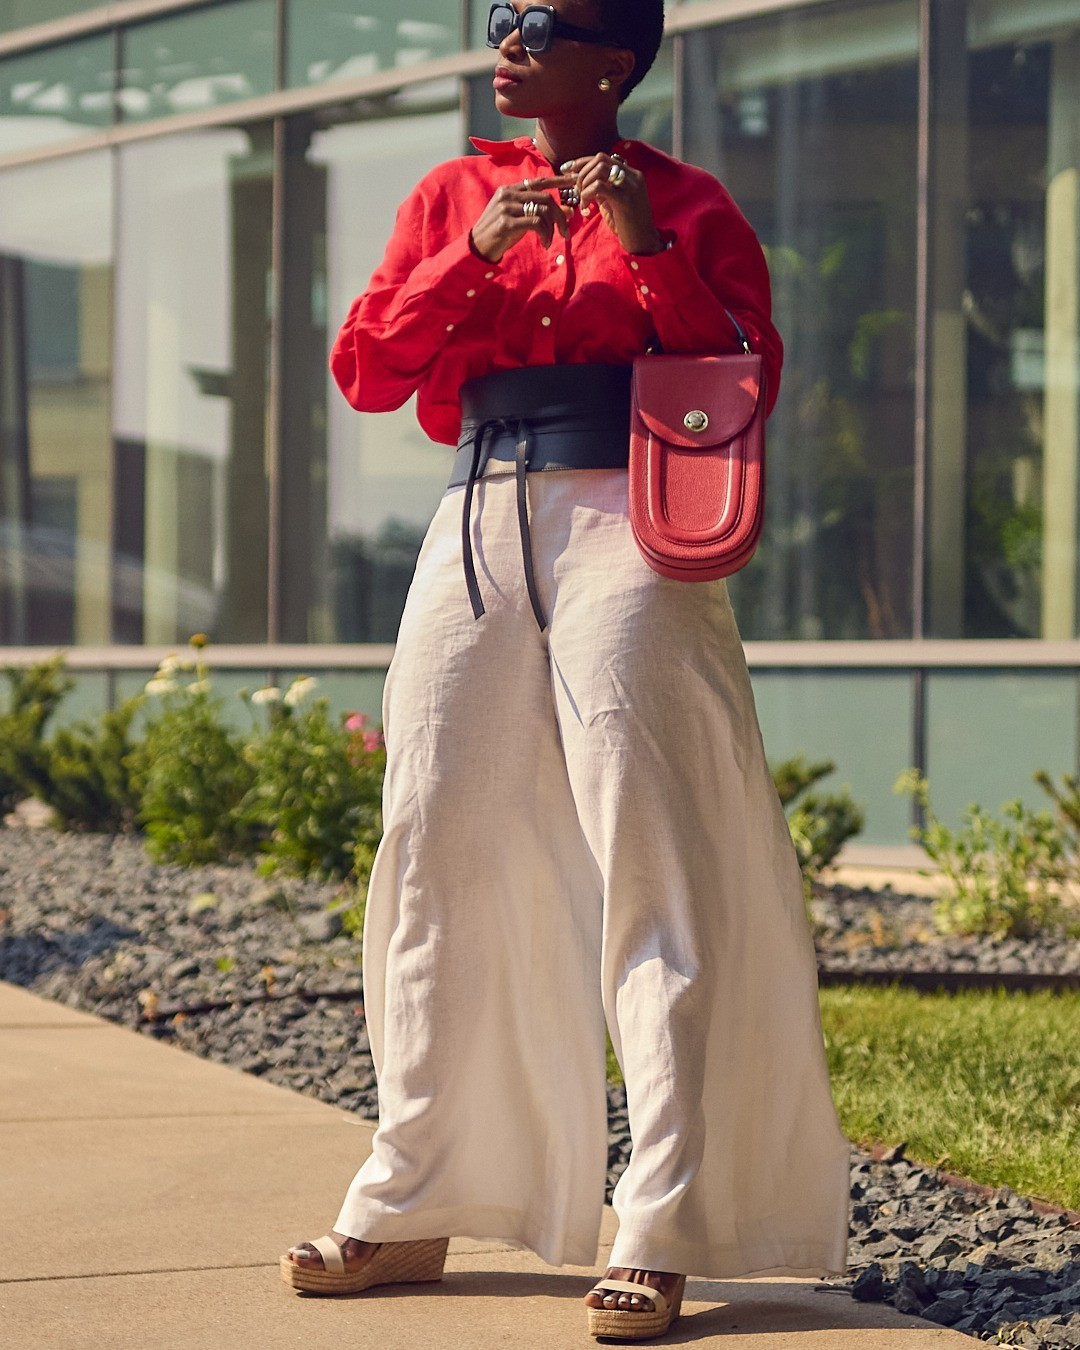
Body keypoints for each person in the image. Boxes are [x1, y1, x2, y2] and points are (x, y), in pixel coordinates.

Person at [281, 0, 851, 1339]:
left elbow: (743, 374)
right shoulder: (455, 191)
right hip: (477, 511)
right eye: (501, 17)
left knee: (653, 852)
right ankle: (413, 1195)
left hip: (634, 516)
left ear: (615, 59)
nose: (509, 38)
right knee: (435, 838)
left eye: (541, 21)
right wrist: (471, 259)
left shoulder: (688, 201)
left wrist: (648, 253)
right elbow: (368, 366)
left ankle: (657, 1223)